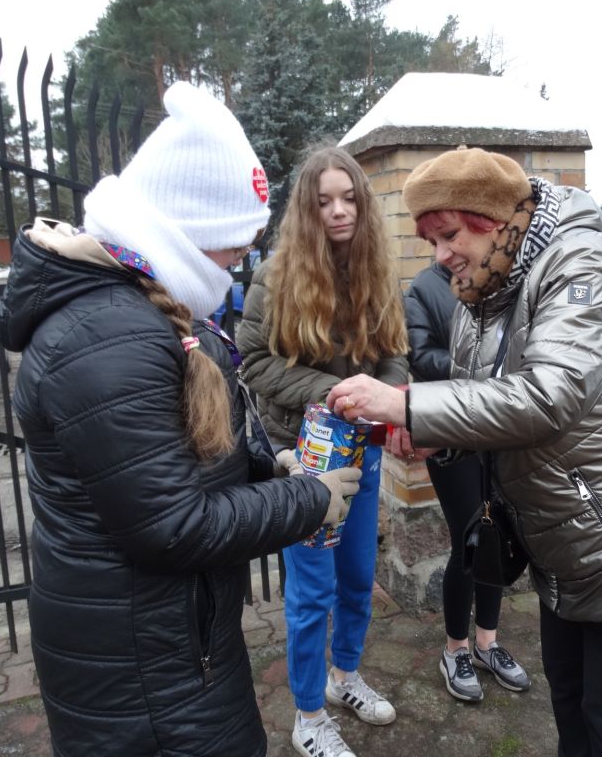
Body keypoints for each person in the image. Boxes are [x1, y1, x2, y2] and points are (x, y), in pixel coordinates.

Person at [325, 147, 602, 757]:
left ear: (492, 220)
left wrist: (409, 404)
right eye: (431, 241)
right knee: (571, 707)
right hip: (569, 544)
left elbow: (550, 395)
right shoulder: (483, 292)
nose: (441, 255)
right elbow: (490, 405)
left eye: (449, 234)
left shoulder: (584, 263)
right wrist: (440, 433)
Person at [0, 82, 362, 757]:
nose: (238, 261)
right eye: (232, 246)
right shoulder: (108, 336)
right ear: (186, 230)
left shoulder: (139, 310)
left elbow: (174, 463)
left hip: (168, 644)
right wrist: (308, 500)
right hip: (143, 673)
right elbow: (170, 529)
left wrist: (267, 470)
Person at [237, 146, 409, 757]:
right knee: (312, 594)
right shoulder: (275, 276)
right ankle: (308, 715)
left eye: (349, 198)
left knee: (358, 577)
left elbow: (395, 351)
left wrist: (388, 393)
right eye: (324, 201)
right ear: (306, 211)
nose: (339, 211)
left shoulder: (375, 270)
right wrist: (336, 392)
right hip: (305, 460)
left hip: (362, 452)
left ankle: (344, 678)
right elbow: (253, 361)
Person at [404, 262, 530, 701]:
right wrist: (485, 371)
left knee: (496, 532)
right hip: (450, 430)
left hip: (498, 427)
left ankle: (486, 643)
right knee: (468, 537)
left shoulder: (501, 278)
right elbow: (419, 356)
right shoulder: (424, 288)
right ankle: (454, 648)